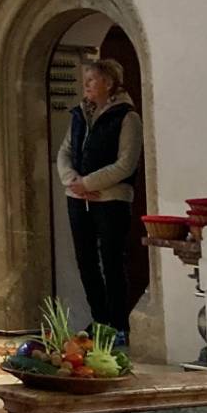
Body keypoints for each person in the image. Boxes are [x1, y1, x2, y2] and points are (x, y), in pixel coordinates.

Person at [56, 58, 143, 342]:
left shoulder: (127, 117)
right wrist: (73, 182)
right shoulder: (80, 114)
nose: (86, 86)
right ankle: (100, 320)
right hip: (78, 198)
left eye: (92, 80)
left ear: (108, 82)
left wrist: (89, 183)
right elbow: (65, 152)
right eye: (85, 80)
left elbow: (126, 163)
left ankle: (119, 325)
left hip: (112, 200)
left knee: (112, 261)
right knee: (86, 261)